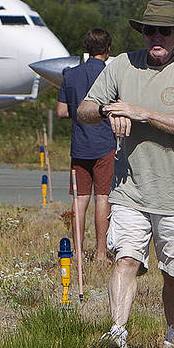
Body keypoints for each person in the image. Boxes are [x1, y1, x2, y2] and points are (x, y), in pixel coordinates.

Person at [77, 0, 174, 348]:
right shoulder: (121, 64)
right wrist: (109, 109)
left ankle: (173, 339)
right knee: (125, 260)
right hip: (130, 190)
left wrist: (143, 114)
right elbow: (84, 109)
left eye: (164, 32)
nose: (156, 38)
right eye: (150, 30)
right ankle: (117, 333)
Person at [55, 28, 115, 290]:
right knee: (103, 197)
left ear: (87, 47)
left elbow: (61, 112)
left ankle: (78, 253)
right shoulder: (111, 74)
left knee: (80, 200)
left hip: (79, 145)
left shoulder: (71, 75)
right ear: (108, 49)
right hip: (104, 144)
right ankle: (101, 253)